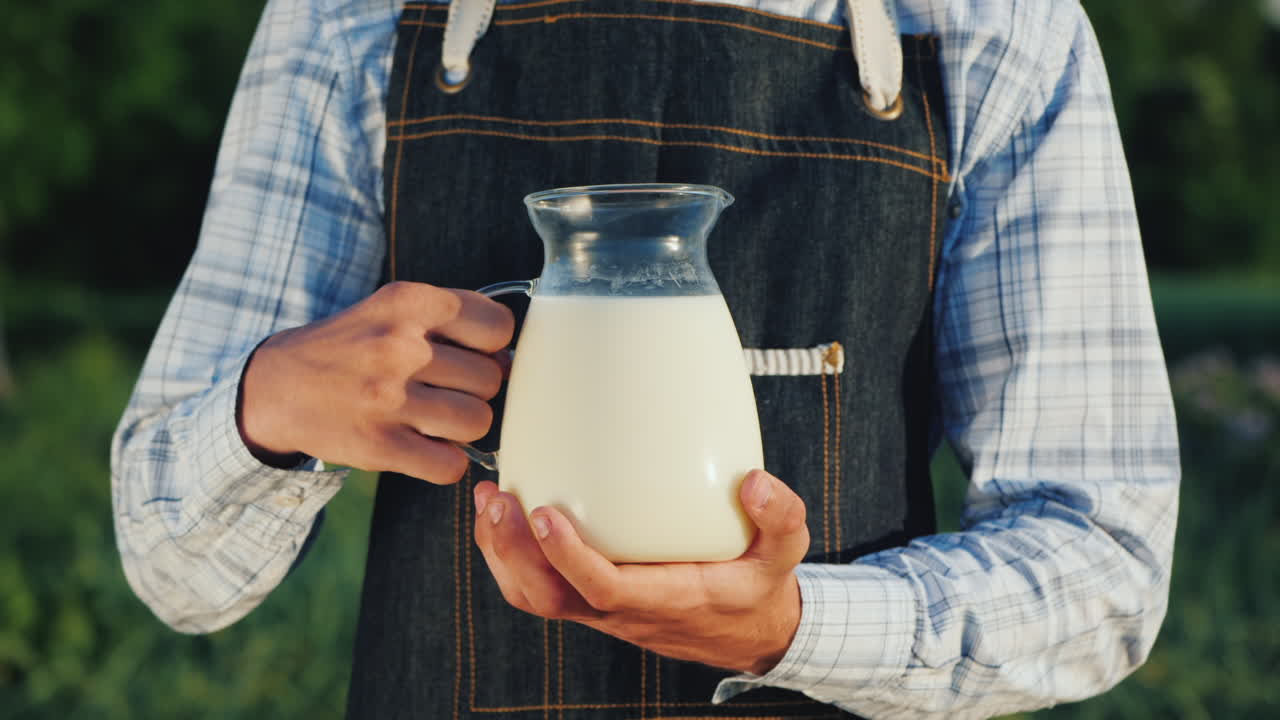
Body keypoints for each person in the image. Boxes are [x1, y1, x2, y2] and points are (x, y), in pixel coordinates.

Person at [111, 0, 1180, 717]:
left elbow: (1105, 566)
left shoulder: (991, 27)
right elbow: (175, 573)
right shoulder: (352, 19)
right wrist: (270, 406)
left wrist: (793, 626)